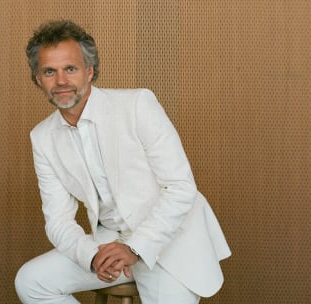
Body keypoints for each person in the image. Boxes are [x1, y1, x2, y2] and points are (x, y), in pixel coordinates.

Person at [15, 20, 231, 304]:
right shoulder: (42, 137)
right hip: (107, 245)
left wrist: (135, 248)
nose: (61, 81)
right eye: (49, 71)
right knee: (31, 281)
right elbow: (57, 221)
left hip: (167, 243)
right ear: (37, 79)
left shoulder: (138, 105)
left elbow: (181, 189)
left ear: (89, 71)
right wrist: (92, 256)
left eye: (70, 68)